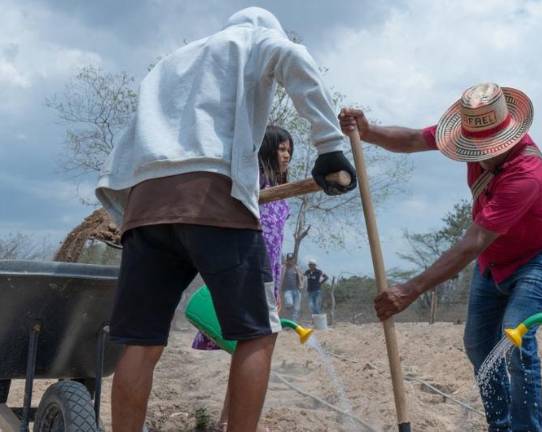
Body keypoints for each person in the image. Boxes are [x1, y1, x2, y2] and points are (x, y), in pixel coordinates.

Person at [95, 8, 356, 432]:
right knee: (256, 333)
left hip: (146, 205)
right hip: (214, 198)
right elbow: (294, 58)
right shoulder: (253, 41)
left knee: (140, 343)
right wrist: (329, 146)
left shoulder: (172, 61)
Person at [339, 82, 542, 432]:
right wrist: (370, 132)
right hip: (494, 261)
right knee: (479, 343)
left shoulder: (526, 172)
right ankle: (501, 425)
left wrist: (411, 289)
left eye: (484, 148)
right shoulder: (467, 136)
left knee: (514, 337)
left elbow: (473, 240)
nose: (475, 153)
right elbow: (414, 139)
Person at [190, 125, 295, 429]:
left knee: (251, 350)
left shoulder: (282, 192)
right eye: (280, 148)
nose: (286, 155)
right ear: (265, 150)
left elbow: (277, 245)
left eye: (289, 150)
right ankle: (230, 422)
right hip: (245, 269)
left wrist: (275, 284)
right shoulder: (251, 183)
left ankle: (229, 421)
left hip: (267, 275)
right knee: (252, 346)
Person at [281, 253, 305, 322]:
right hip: (287, 290)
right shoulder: (283, 268)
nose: (290, 261)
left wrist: (301, 285)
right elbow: (279, 276)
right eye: (289, 259)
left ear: (293, 260)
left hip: (297, 290)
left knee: (296, 309)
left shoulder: (297, 268)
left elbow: (302, 277)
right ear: (287, 260)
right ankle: (288, 319)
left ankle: (293, 324)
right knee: (289, 303)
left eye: (291, 259)